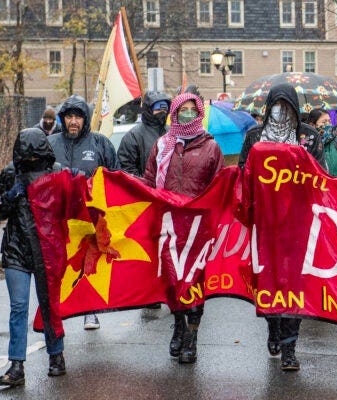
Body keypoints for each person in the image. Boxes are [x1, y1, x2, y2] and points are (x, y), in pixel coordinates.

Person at [239, 83, 323, 371]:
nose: (281, 111)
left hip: (297, 223)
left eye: (287, 106)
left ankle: (290, 347)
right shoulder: (254, 137)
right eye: (277, 105)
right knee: (269, 280)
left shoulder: (308, 136)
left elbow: (320, 175)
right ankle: (273, 327)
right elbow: (242, 173)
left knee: (294, 284)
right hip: (264, 224)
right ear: (268, 107)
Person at [142, 92, 224, 364]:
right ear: (174, 113)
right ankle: (178, 324)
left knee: (195, 284)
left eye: (192, 110)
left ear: (199, 113)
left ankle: (192, 336)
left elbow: (219, 188)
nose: (187, 114)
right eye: (182, 110)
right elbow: (150, 181)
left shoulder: (211, 147)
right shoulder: (163, 145)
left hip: (198, 228)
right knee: (173, 281)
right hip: (167, 225)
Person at [0, 128, 68, 386]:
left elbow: (70, 206)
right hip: (16, 249)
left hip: (47, 250)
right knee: (19, 307)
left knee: (49, 305)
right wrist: (12, 194)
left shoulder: (57, 173)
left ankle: (56, 355)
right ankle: (16, 365)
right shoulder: (10, 174)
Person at [49, 94, 120, 331]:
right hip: (59, 216)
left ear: (85, 119)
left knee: (88, 264)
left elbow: (115, 177)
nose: (73, 122)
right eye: (69, 116)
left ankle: (90, 312)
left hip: (90, 216)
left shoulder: (100, 143)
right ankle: (57, 310)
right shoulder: (51, 143)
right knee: (59, 265)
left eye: (78, 117)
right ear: (63, 119)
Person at [117, 91, 171, 177]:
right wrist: (145, 185)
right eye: (158, 109)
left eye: (165, 109)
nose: (162, 112)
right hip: (144, 188)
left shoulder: (172, 133)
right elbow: (127, 168)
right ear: (149, 109)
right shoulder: (133, 136)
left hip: (168, 188)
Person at [307, 108, 337, 176]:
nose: (328, 124)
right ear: (312, 125)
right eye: (324, 122)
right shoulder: (306, 145)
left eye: (329, 121)